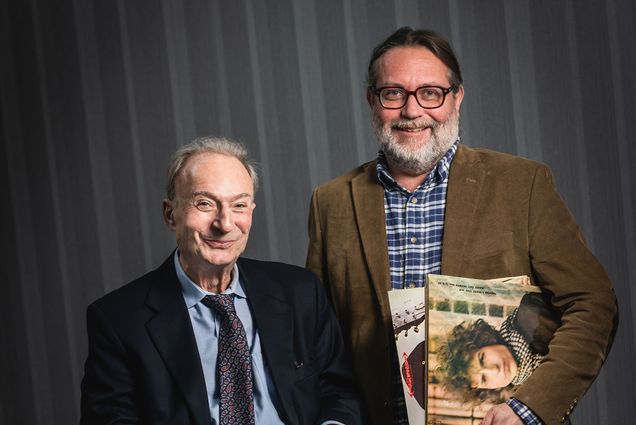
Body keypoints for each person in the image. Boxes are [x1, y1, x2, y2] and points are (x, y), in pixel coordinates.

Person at [306, 27, 618, 425]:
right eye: (393, 93)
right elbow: (319, 341)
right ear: (372, 100)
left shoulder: (521, 184)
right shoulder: (330, 202)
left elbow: (593, 304)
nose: (412, 110)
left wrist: (527, 410)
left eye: (430, 93)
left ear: (457, 97)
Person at [81, 136, 361, 425]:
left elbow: (338, 391)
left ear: (251, 212)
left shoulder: (300, 291)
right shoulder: (118, 320)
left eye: (239, 205)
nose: (225, 224)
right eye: (205, 203)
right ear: (170, 214)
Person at [436, 293, 561, 402]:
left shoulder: (530, 311)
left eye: (482, 359)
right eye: (484, 379)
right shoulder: (529, 393)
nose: (494, 370)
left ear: (487, 340)